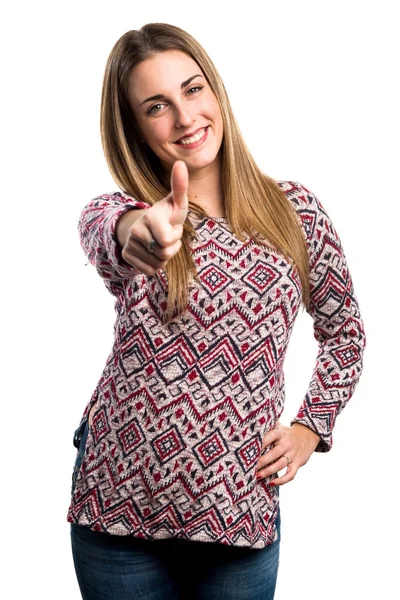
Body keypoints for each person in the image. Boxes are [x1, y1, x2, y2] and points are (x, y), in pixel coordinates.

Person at [67, 22, 366, 600]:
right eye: (157, 106)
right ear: (133, 127)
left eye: (193, 90)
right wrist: (138, 230)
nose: (184, 118)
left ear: (216, 92)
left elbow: (345, 331)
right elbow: (103, 226)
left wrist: (311, 426)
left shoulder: (295, 212)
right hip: (116, 511)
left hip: (237, 511)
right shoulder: (131, 215)